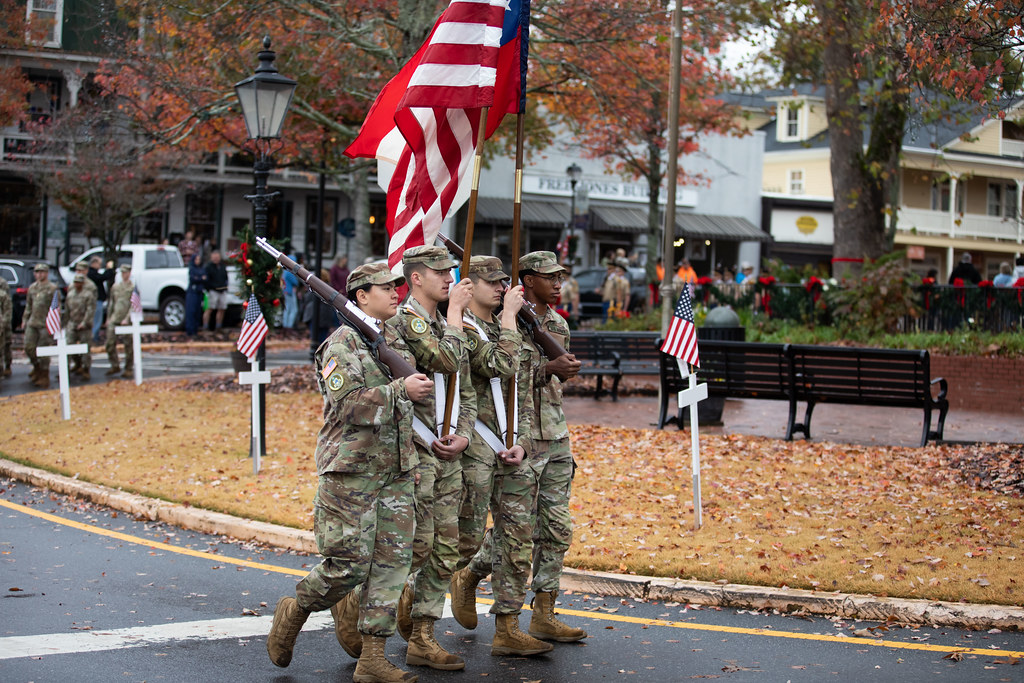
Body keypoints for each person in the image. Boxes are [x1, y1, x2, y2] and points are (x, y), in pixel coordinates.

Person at [265, 263, 433, 683]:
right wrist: (400, 391)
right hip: (351, 473)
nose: (397, 293)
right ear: (360, 296)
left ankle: (372, 659)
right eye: (385, 288)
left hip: (395, 470)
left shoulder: (393, 339)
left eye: (397, 287)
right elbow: (351, 406)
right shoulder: (341, 345)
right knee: (347, 566)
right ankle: (297, 608)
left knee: (393, 564)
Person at [456, 250, 587, 645]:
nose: (559, 282)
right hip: (514, 436)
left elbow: (553, 384)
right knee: (518, 528)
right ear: (527, 281)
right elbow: (502, 375)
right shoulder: (499, 321)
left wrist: (558, 370)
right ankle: (471, 574)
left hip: (553, 432)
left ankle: (544, 612)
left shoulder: (556, 324)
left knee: (557, 527)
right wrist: (547, 368)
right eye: (550, 276)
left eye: (561, 276)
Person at [447, 256, 551, 657]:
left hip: (510, 448)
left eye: (502, 283)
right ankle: (410, 603)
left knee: (517, 537)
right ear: (469, 287)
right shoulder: (463, 329)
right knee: (464, 539)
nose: (501, 289)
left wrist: (523, 440)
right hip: (474, 444)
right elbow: (498, 364)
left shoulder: (508, 328)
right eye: (491, 282)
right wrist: (510, 316)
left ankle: (507, 626)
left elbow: (520, 391)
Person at [386, 245, 476, 671]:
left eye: (451, 271)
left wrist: (463, 435)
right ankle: (357, 605)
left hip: (448, 452)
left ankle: (422, 634)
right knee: (415, 547)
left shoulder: (446, 322)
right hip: (417, 450)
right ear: (415, 278)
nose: (449, 279)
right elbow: (446, 358)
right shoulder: (406, 322)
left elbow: (469, 390)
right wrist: (458, 312)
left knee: (447, 547)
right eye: (439, 272)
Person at [21, 263, 59, 389]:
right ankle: (36, 367)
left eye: (42, 272)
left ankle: (44, 374)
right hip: (33, 322)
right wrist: (25, 319)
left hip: (45, 323)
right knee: (29, 347)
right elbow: (28, 305)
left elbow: (56, 308)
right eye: (37, 272)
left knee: (43, 350)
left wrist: (55, 325)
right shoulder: (32, 288)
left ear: (47, 273)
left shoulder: (52, 288)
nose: (39, 274)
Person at [105, 264, 135, 377]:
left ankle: (128, 368)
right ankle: (114, 365)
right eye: (122, 273)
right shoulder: (115, 287)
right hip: (115, 317)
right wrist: (109, 318)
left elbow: (133, 305)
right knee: (109, 343)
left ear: (129, 273)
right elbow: (111, 303)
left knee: (128, 344)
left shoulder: (132, 288)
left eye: (125, 272)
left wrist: (127, 318)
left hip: (125, 319)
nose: (124, 275)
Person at [65, 274, 95, 378]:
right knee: (69, 345)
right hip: (72, 323)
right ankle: (71, 367)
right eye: (75, 282)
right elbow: (67, 310)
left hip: (84, 325)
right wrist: (66, 323)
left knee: (85, 348)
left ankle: (86, 369)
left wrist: (85, 322)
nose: (77, 284)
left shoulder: (88, 295)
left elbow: (90, 310)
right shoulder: (70, 294)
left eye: (79, 282)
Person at [202, 250, 229, 330]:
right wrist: (209, 288)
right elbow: (206, 280)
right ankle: (205, 326)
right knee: (209, 308)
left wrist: (225, 286)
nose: (216, 259)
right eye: (214, 257)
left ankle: (218, 326)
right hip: (213, 290)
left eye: (217, 257)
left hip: (222, 290)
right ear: (211, 257)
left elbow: (225, 277)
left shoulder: (222, 266)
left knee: (222, 308)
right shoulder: (208, 267)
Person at [87, 256, 108, 343]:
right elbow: (101, 278)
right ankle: (94, 338)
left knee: (97, 320)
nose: (100, 266)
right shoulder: (91, 273)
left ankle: (94, 337)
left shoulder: (93, 273)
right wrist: (109, 270)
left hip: (98, 300)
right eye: (99, 264)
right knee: (96, 321)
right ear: (94, 263)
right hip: (96, 301)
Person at [185, 252, 206, 337]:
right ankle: (189, 330)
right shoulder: (191, 268)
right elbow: (193, 278)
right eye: (196, 259)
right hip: (192, 292)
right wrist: (201, 278)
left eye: (199, 259)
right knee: (191, 311)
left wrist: (199, 278)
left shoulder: (201, 268)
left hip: (199, 292)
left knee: (198, 311)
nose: (198, 261)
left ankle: (195, 330)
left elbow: (206, 277)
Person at [281, 261, 300, 329]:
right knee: (293, 310)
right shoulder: (289, 272)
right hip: (290, 293)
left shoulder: (284, 271)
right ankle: (289, 326)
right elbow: (295, 282)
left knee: (287, 309)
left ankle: (285, 326)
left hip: (285, 291)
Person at [0, 276, 11, 379]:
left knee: (4, 346)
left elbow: (7, 309)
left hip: (2, 324)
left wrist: (4, 323)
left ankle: (6, 367)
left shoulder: (2, 292)